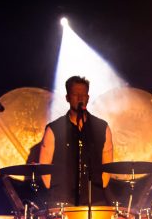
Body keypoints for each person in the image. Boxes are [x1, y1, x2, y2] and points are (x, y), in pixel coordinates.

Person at [38, 75, 114, 206]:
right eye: (75, 94)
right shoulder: (54, 128)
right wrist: (54, 188)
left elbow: (107, 163)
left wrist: (100, 186)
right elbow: (44, 166)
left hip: (94, 198)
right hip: (62, 199)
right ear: (67, 98)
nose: (80, 98)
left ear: (88, 98)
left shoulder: (102, 127)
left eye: (83, 95)